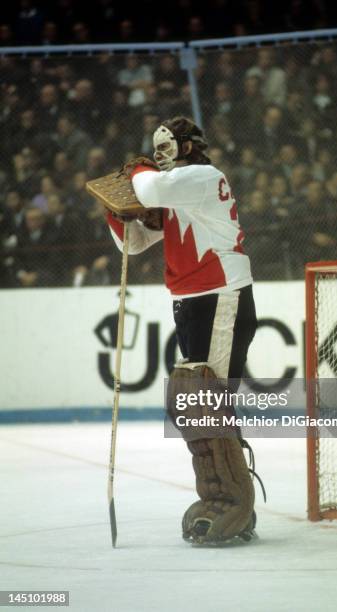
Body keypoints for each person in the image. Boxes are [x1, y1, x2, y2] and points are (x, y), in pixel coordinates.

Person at [106, 116, 260, 546]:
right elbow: (134, 244)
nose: (159, 155)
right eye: (155, 148)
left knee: (203, 395)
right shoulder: (179, 191)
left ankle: (230, 504)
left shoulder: (202, 177)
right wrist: (117, 214)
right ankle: (224, 499)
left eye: (168, 145)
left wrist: (135, 174)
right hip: (195, 298)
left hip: (219, 292)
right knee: (198, 397)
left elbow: (149, 187)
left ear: (191, 146)